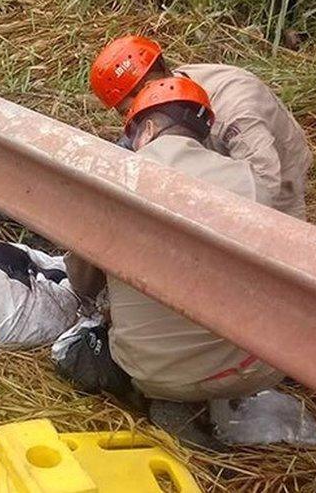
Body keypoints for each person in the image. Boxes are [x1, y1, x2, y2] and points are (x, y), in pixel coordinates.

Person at [64, 77, 284, 446]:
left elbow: (83, 279)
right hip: (255, 369)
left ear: (146, 130)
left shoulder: (111, 181)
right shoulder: (251, 184)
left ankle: (169, 402)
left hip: (154, 372)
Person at [90, 35, 311, 219]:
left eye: (136, 102)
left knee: (279, 243)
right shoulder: (161, 97)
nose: (137, 113)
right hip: (213, 160)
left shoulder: (235, 108)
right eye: (126, 112)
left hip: (277, 170)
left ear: (158, 78)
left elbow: (266, 187)